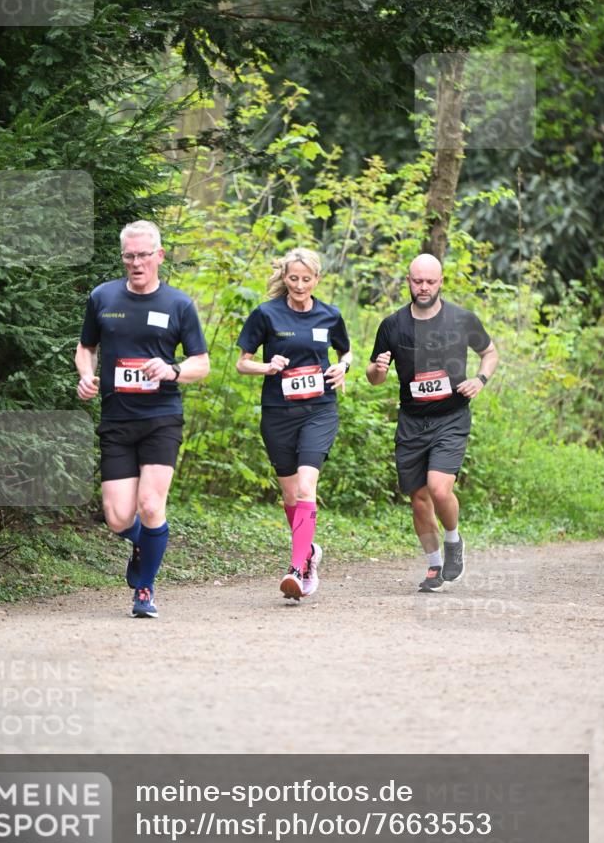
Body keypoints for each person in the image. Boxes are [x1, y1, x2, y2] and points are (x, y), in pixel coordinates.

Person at [75, 220, 209, 619]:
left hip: (161, 418)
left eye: (143, 255)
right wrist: (86, 376)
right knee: (118, 518)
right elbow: (86, 348)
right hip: (117, 420)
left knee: (151, 504)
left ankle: (145, 589)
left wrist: (172, 370)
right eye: (129, 256)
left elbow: (201, 364)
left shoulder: (179, 304)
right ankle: (143, 543)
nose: (136, 263)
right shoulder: (103, 297)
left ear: (159, 256)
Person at [366, 253, 499, 592]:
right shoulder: (392, 325)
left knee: (440, 489)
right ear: (408, 282)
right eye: (417, 281)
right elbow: (373, 378)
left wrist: (480, 380)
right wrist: (378, 370)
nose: (423, 287)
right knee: (419, 499)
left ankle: (454, 540)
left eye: (430, 281)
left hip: (450, 417)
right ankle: (434, 566)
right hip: (411, 421)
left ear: (441, 282)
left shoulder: (462, 319)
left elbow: (490, 352)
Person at [236, 248, 352, 600]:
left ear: (317, 279)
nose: (300, 285)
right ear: (284, 278)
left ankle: (297, 568)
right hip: (278, 412)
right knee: (290, 494)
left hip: (319, 410)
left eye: (306, 279)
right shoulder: (266, 314)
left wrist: (343, 367)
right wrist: (268, 367)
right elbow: (243, 363)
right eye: (293, 279)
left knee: (305, 487)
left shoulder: (330, 315)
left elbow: (345, 352)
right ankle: (311, 552)